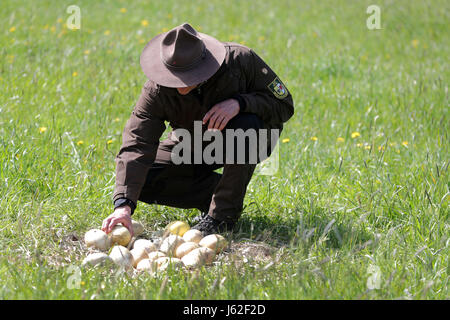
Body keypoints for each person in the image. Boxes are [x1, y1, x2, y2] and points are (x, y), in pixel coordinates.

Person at [101, 23, 294, 237]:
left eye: (187, 76)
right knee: (142, 180)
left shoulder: (241, 60)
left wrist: (240, 103)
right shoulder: (155, 91)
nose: (180, 85)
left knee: (245, 126)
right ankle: (217, 193)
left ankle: (222, 217)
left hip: (247, 137)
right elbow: (137, 143)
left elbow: (284, 105)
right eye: (173, 76)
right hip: (191, 142)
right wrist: (123, 205)